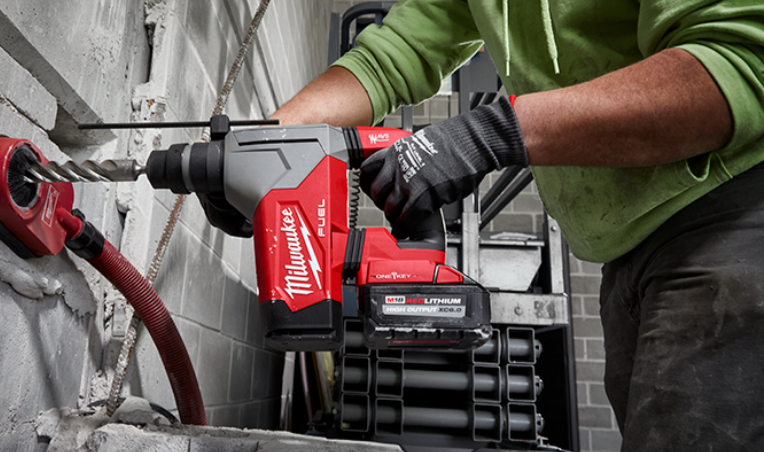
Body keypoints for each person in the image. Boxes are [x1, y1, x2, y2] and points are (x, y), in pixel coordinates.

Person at [267, 1, 764, 450]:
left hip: (736, 220)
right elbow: (391, 58)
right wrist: (270, 150)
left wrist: (490, 134)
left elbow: (739, 63)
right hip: (627, 251)